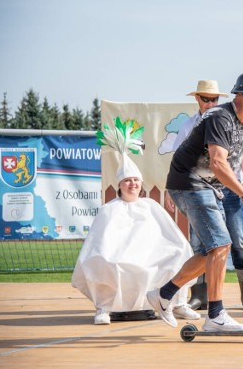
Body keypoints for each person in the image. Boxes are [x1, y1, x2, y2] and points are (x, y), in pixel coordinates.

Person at [147, 72, 243, 331]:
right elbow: (218, 162)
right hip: (188, 182)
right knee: (221, 245)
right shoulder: (220, 118)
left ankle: (163, 295)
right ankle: (215, 315)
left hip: (211, 188)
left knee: (212, 250)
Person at [72, 119, 199, 325]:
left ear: (141, 184)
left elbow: (169, 236)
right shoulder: (109, 209)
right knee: (107, 262)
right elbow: (100, 243)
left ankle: (177, 303)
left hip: (150, 253)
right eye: (127, 181)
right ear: (120, 184)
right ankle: (104, 308)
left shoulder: (150, 205)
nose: (132, 184)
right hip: (119, 255)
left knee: (179, 252)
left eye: (136, 180)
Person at [164, 79, 243, 311]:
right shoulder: (192, 124)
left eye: (215, 98)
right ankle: (201, 296)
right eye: (206, 98)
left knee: (235, 240)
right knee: (208, 244)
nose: (210, 102)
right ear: (197, 99)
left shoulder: (235, 120)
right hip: (200, 186)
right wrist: (170, 188)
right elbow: (181, 158)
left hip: (231, 188)